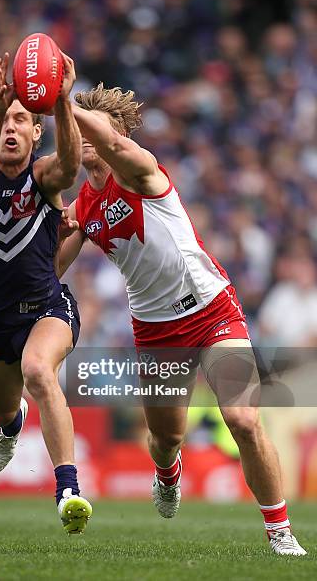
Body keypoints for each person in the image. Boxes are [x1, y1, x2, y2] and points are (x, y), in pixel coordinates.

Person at [56, 83, 306, 555]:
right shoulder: (82, 208)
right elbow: (52, 271)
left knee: (243, 419)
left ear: (121, 135)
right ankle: (168, 474)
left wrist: (60, 100)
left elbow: (110, 146)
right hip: (155, 331)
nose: (85, 135)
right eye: (77, 127)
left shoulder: (139, 170)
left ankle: (279, 530)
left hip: (212, 311)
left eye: (96, 127)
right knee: (166, 438)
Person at [0, 52, 92, 535]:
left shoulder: (45, 177)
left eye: (21, 119)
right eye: (3, 118)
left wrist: (63, 100)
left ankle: (68, 490)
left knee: (37, 370)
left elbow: (70, 167)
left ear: (35, 134)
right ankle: (8, 427)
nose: (11, 127)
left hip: (46, 309)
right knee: (4, 411)